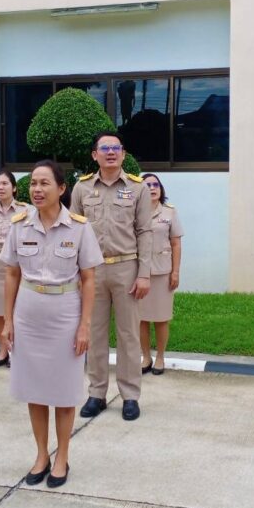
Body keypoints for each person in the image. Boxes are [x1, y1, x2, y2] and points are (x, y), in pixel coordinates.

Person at [0, 160, 103, 488]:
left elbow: (89, 279)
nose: (37, 189)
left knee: (64, 390)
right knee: (35, 388)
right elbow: (11, 273)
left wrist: (84, 325)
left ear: (61, 188)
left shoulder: (79, 227)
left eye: (44, 183)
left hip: (65, 315)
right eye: (33, 183)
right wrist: (7, 321)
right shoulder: (19, 225)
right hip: (29, 315)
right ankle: (42, 454)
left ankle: (62, 457)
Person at [71, 132, 153, 421]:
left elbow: (145, 231)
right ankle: (96, 393)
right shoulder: (81, 188)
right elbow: (73, 231)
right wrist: (73, 272)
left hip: (126, 267)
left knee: (129, 334)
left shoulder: (138, 188)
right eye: (104, 148)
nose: (110, 152)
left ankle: (130, 395)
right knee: (94, 334)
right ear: (94, 155)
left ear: (123, 153)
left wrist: (144, 274)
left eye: (115, 148)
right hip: (91, 271)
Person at [0, 170, 33, 367]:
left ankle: (17, 351)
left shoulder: (26, 210)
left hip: (18, 263)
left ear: (14, 188)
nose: (0, 187)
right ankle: (3, 350)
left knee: (18, 308)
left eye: (5, 184)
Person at [138, 173, 183, 375]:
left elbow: (176, 243)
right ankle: (146, 356)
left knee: (161, 318)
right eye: (147, 185)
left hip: (163, 273)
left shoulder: (170, 212)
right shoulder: (134, 212)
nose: (152, 188)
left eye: (156, 184)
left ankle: (160, 357)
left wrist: (175, 272)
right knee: (141, 318)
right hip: (140, 273)